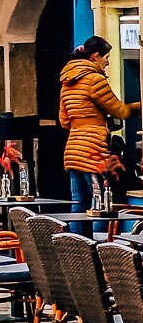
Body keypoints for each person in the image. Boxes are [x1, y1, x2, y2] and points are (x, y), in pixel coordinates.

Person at [59, 36, 139, 220]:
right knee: (100, 203)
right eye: (106, 57)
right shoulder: (95, 80)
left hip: (72, 149)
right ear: (95, 56)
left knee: (78, 201)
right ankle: (99, 245)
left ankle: (73, 245)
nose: (108, 62)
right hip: (93, 149)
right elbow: (119, 110)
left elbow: (64, 121)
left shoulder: (67, 82)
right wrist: (138, 106)